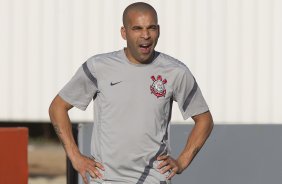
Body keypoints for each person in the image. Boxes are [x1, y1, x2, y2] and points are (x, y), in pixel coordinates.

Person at [49, 2, 213, 184]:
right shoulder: (99, 67)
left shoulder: (175, 72)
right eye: (137, 28)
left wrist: (182, 161)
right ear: (124, 33)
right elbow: (58, 108)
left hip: (153, 179)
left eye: (151, 28)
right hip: (105, 180)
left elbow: (204, 120)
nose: (145, 35)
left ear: (158, 31)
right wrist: (75, 156)